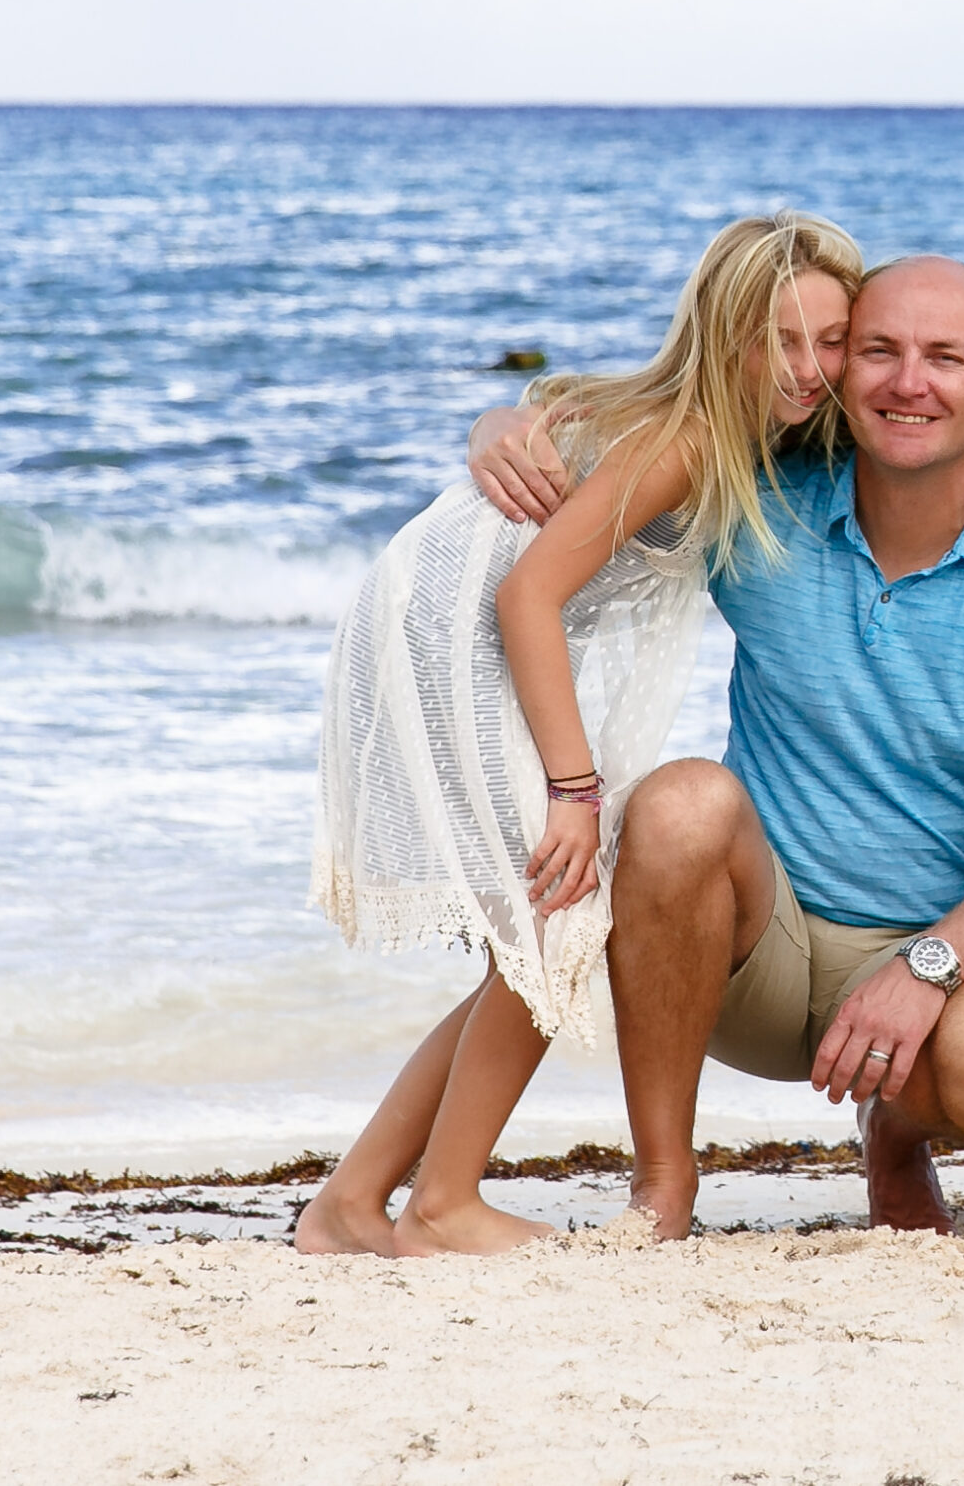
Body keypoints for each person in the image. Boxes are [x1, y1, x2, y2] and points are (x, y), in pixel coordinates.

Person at [298, 211, 864, 1256]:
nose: (811, 368)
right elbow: (526, 598)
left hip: (453, 615)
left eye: (832, 341)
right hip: (454, 631)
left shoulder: (738, 430)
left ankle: (350, 1203)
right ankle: (443, 1205)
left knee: (525, 943)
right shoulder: (689, 438)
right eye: (781, 340)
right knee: (562, 908)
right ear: (725, 334)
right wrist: (574, 788)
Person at [603, 256, 964, 1237]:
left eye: (944, 358)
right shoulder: (760, 502)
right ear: (839, 371)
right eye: (877, 350)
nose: (907, 381)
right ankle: (663, 1184)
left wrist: (926, 965)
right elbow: (592, 461)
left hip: (930, 954)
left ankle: (895, 1136)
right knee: (679, 803)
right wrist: (501, 428)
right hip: (749, 949)